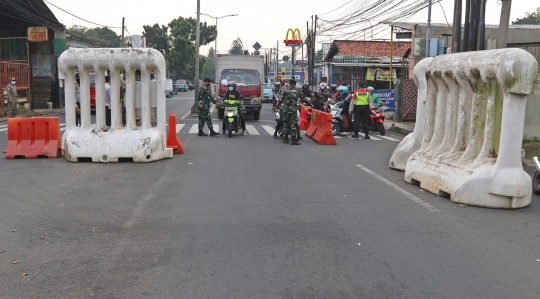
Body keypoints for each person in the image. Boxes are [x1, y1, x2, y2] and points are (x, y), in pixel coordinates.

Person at [274, 79, 312, 145]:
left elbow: (280, 100)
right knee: (293, 124)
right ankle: (293, 140)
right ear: (294, 84)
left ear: (289, 83)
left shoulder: (285, 90)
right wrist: (310, 104)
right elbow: (304, 99)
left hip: (286, 109)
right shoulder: (298, 91)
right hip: (293, 109)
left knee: (286, 123)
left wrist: (276, 107)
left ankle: (285, 139)